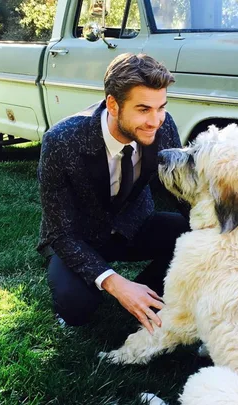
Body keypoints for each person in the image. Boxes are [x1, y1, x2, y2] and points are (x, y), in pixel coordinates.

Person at [37, 53, 190, 334]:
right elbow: (58, 232)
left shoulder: (162, 126)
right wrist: (114, 282)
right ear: (113, 104)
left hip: (135, 226)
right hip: (81, 238)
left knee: (195, 238)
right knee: (76, 308)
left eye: (161, 108)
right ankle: (116, 291)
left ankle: (149, 292)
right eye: (143, 109)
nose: (155, 121)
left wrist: (225, 235)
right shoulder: (61, 141)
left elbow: (181, 193)